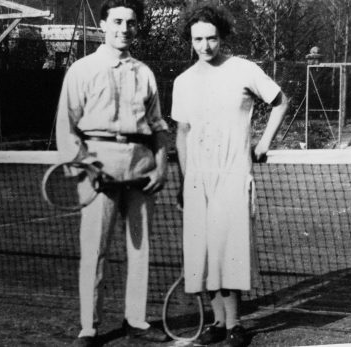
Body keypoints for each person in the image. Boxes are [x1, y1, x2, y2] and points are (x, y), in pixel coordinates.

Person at [172, 5, 288, 347]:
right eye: (198, 39)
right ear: (189, 41)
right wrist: (184, 179)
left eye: (211, 38)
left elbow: (280, 102)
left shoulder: (243, 70)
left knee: (230, 252)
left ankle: (236, 325)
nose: (205, 46)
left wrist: (263, 143)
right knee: (203, 254)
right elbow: (182, 134)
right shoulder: (183, 82)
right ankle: (218, 323)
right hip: (197, 179)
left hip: (234, 176)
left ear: (221, 37)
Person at [55, 0, 169, 346]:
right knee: (95, 249)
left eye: (131, 23)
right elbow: (66, 125)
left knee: (141, 247)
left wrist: (161, 164)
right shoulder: (81, 69)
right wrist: (83, 165)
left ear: (137, 28)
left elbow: (157, 125)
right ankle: (89, 327)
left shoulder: (144, 72)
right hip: (97, 167)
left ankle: (136, 319)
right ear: (103, 24)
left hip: (139, 165)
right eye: (117, 21)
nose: (123, 28)